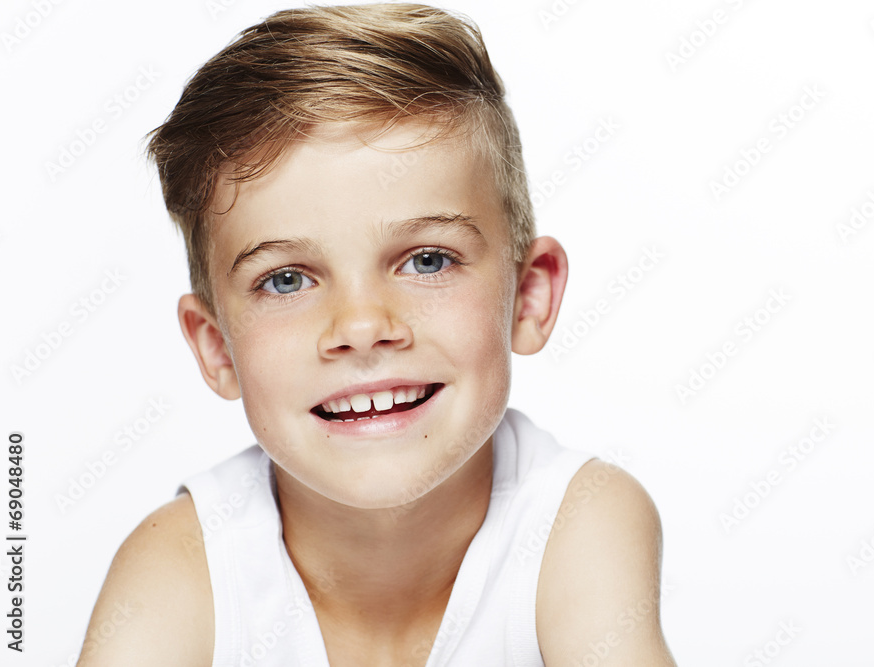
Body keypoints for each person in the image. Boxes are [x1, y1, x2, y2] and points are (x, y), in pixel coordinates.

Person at [77, 4, 676, 665]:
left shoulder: (579, 522)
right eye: (286, 280)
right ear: (217, 347)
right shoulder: (182, 565)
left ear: (529, 296)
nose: (361, 327)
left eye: (427, 260)